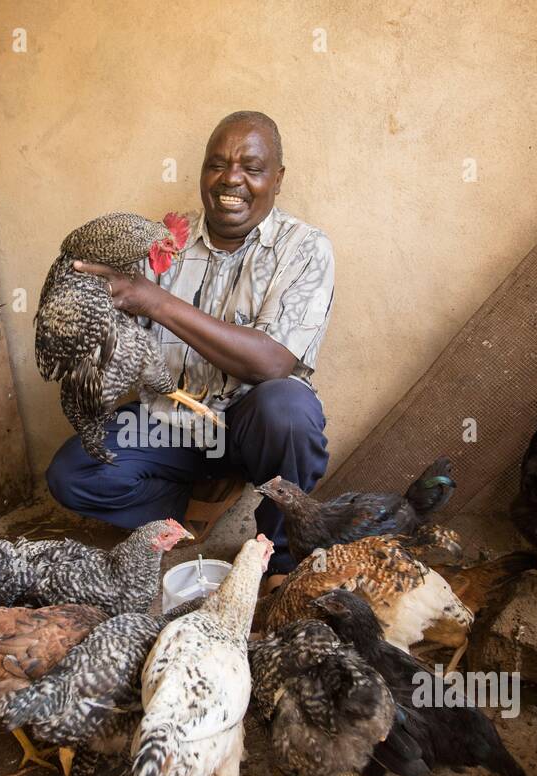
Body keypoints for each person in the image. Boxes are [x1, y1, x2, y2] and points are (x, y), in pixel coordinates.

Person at [45, 110, 335, 576]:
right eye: (216, 164)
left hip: (248, 429)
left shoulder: (305, 248)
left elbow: (272, 363)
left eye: (252, 168)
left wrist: (155, 301)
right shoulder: (162, 246)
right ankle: (190, 509)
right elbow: (124, 349)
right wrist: (88, 318)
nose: (231, 179)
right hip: (171, 425)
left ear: (277, 179)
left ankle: (279, 560)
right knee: (72, 474)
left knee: (289, 409)